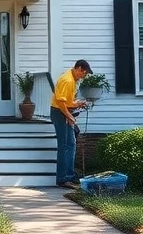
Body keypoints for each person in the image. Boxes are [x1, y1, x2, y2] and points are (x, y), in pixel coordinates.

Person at [51, 59, 92, 189]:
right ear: (79, 68)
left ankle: (69, 175)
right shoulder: (67, 80)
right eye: (84, 73)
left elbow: (67, 101)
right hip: (60, 113)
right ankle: (63, 179)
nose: (84, 76)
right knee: (64, 145)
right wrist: (69, 116)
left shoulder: (72, 79)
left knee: (71, 144)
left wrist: (77, 103)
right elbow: (61, 102)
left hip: (64, 111)